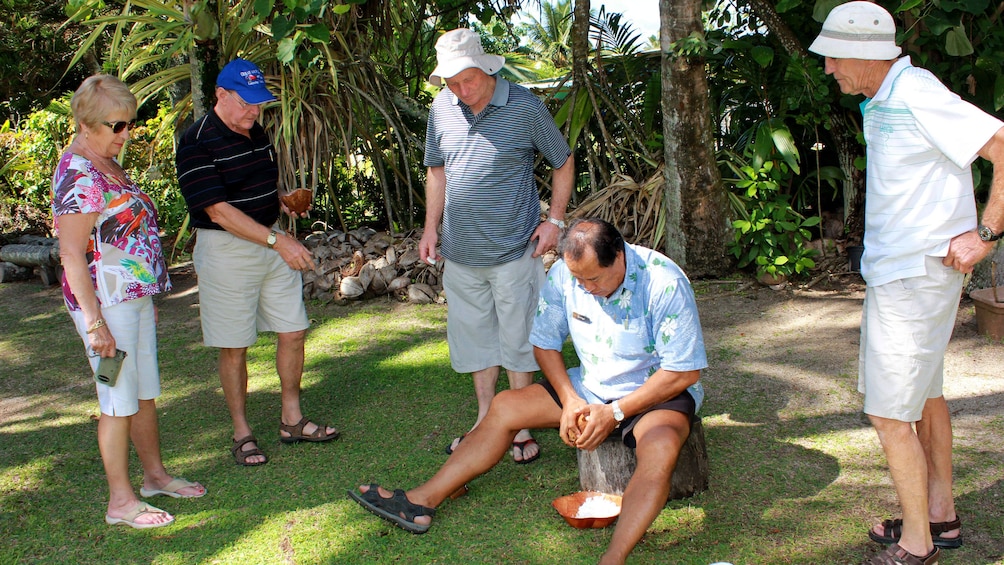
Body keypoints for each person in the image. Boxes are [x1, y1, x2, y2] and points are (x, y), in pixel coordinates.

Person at [350, 219, 707, 565]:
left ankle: (613, 558)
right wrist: (569, 399)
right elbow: (545, 343)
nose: (585, 288)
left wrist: (615, 412)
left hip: (654, 392)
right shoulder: (567, 275)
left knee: (659, 450)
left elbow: (685, 370)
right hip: (591, 385)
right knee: (505, 406)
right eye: (578, 279)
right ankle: (421, 501)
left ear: (619, 255)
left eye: (594, 279)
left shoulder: (663, 280)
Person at [808, 3, 1004, 564]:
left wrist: (986, 234)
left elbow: (1001, 144)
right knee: (926, 398)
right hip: (907, 276)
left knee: (890, 413)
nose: (828, 70)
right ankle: (939, 516)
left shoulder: (915, 90)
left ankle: (916, 547)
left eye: (834, 57)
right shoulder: (882, 99)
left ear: (867, 53)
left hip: (914, 279)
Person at [53, 74, 206, 529]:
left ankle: (154, 477)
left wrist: (141, 292)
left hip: (131, 298)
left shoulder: (107, 161)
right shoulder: (78, 173)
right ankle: (120, 502)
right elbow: (70, 254)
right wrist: (95, 323)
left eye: (129, 123)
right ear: (86, 123)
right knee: (116, 398)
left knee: (142, 392)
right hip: (105, 306)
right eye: (116, 126)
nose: (126, 133)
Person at [419, 28, 575, 463]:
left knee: (519, 339)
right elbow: (437, 171)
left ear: (486, 68)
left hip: (514, 251)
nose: (463, 91)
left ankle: (520, 422)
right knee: (476, 340)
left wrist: (555, 222)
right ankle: (488, 419)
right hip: (460, 253)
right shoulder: (441, 108)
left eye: (468, 80)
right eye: (453, 84)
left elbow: (562, 161)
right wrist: (431, 228)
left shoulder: (523, 105)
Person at [175, 58, 338, 467]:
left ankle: (291, 419)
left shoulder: (256, 131)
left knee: (294, 330)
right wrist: (276, 240)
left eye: (259, 103)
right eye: (246, 102)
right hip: (227, 251)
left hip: (270, 240)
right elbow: (216, 210)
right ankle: (242, 432)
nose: (254, 111)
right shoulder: (195, 140)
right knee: (235, 346)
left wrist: (281, 200)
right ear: (221, 95)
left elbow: (258, 183)